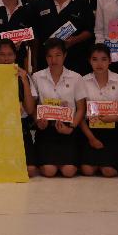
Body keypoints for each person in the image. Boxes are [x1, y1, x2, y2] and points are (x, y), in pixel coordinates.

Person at [30, 38, 86, 178]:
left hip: (68, 129)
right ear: (45, 58)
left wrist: (71, 128)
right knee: (49, 171)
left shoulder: (76, 78)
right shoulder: (37, 77)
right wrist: (38, 121)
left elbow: (81, 108)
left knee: (69, 171)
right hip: (46, 129)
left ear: (65, 55)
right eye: (49, 56)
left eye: (58, 55)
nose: (53, 60)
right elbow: (32, 106)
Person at [78, 44, 118, 177]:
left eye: (104, 59)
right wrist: (91, 138)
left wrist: (114, 117)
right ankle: (97, 161)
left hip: (115, 130)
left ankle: (105, 162)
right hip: (90, 131)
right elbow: (80, 114)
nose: (99, 64)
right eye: (95, 59)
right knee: (87, 170)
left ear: (110, 60)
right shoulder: (82, 81)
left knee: (109, 171)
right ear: (89, 61)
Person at [30, 0, 94, 75]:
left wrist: (75, 40)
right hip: (46, 64)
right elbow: (34, 35)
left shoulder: (81, 2)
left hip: (76, 63)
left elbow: (90, 30)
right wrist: (34, 62)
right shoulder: (37, 4)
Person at [0, 38, 37, 177]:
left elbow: (30, 110)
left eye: (10, 54)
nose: (6, 59)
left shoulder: (23, 76)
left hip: (19, 126)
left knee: (30, 170)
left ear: (15, 56)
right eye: (2, 54)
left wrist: (24, 79)